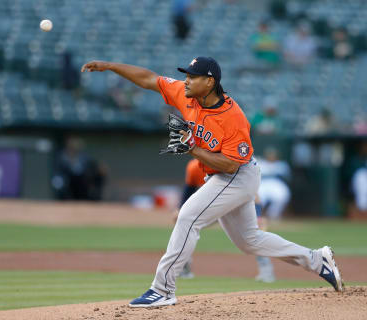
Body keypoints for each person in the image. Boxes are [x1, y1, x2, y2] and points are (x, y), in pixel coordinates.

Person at [81, 56, 344, 308]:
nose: (185, 81)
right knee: (249, 241)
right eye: (186, 75)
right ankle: (317, 260)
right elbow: (149, 79)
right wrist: (110, 66)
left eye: (192, 77)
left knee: (188, 217)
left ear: (209, 82)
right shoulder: (187, 96)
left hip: (238, 175)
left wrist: (193, 149)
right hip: (221, 175)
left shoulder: (233, 118)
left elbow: (230, 165)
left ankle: (162, 290)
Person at [257, 147, 291, 220]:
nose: (271, 156)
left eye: (273, 155)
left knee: (281, 197)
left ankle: (273, 216)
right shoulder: (260, 163)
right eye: (269, 155)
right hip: (263, 183)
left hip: (276, 183)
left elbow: (286, 176)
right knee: (259, 198)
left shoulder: (281, 165)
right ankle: (258, 216)